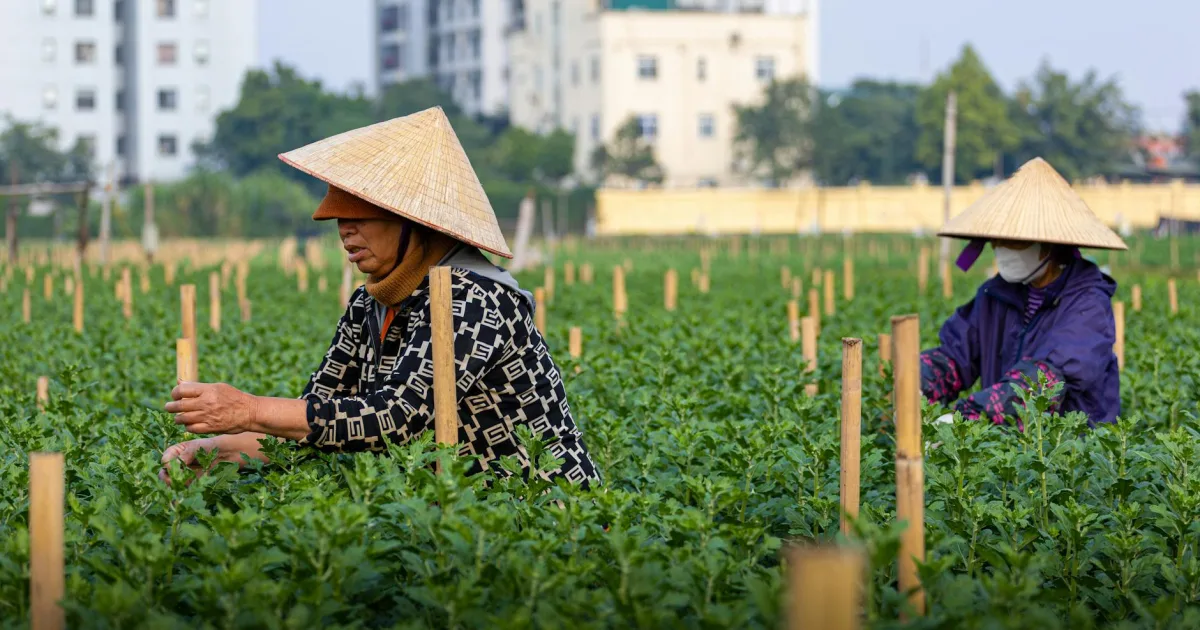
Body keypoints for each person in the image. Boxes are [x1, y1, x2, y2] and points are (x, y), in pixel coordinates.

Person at [160, 107, 599, 487]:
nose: (345, 230)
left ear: (414, 221)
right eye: (338, 219)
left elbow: (400, 415)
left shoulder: (475, 297)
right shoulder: (369, 305)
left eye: (361, 217)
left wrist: (249, 409)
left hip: (542, 513)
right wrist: (216, 452)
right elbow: (316, 419)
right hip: (449, 517)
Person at [920, 157, 1126, 428]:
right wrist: (918, 387)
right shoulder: (995, 296)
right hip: (1006, 450)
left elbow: (1047, 379)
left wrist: (967, 417)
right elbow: (956, 355)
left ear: (1049, 244)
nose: (1000, 247)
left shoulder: (1088, 303)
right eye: (997, 238)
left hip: (1073, 455)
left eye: (1013, 240)